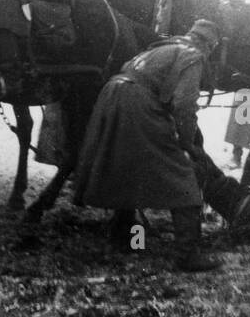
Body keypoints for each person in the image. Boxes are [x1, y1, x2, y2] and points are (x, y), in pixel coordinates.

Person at [73, 19, 227, 272]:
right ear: (210, 45)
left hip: (113, 95)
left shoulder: (161, 48)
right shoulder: (193, 56)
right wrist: (188, 144)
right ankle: (187, 255)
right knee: (182, 175)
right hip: (138, 102)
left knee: (127, 164)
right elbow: (184, 104)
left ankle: (122, 234)